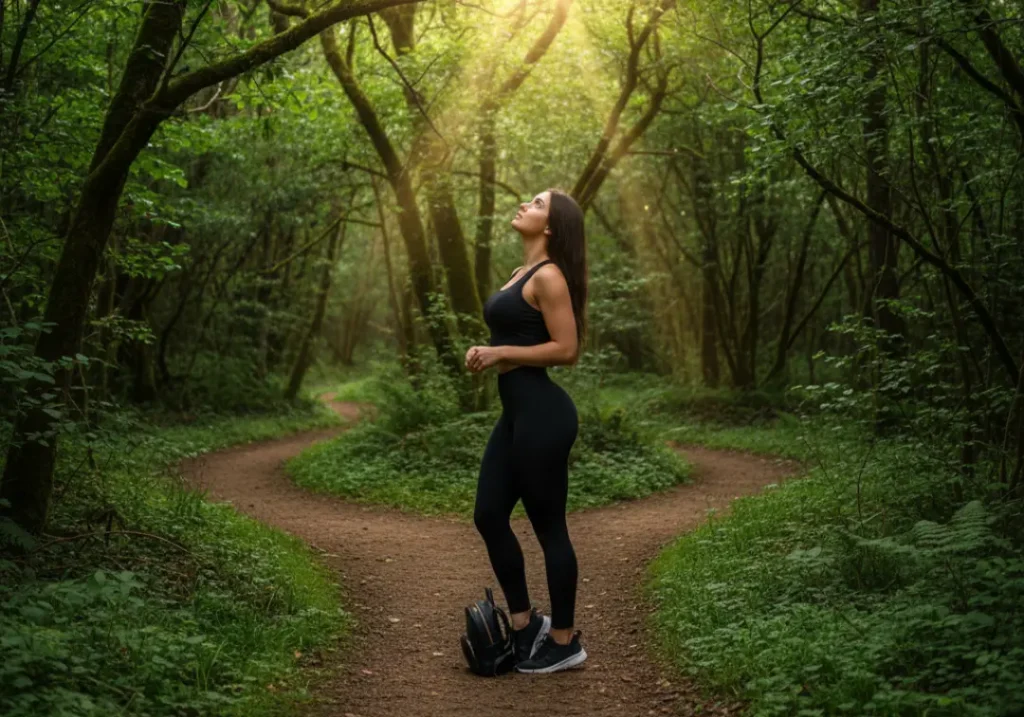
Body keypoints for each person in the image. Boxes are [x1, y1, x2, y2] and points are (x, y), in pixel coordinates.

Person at [464, 188, 588, 674]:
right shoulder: (522, 274)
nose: (524, 205)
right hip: (516, 415)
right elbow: (516, 337)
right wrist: (486, 352)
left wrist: (502, 354)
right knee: (488, 513)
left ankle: (564, 641)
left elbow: (567, 349)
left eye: (536, 203)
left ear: (551, 227)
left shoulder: (551, 276)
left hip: (544, 417)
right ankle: (524, 625)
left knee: (549, 528)